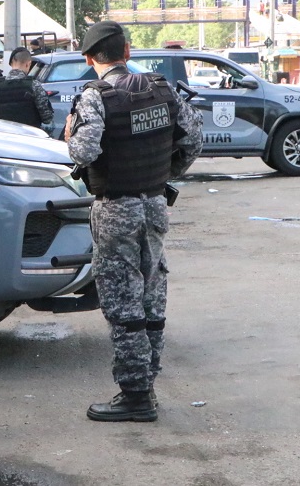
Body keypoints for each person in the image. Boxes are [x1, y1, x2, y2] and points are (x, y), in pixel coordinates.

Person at [65, 21, 202, 423]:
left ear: (90, 59)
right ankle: (148, 383)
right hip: (155, 202)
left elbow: (85, 151)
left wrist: (70, 135)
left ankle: (136, 395)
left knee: (123, 300)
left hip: (116, 208)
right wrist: (165, 174)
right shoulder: (161, 88)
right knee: (151, 292)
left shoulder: (95, 96)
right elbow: (192, 140)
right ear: (127, 51)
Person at [0, 47, 54, 132]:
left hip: (5, 138)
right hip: (30, 137)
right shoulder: (34, 86)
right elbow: (47, 117)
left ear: (11, 64)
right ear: (28, 64)